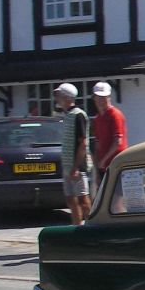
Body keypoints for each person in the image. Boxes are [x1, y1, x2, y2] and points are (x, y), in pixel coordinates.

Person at [53, 82, 92, 225]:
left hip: (77, 166)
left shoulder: (78, 115)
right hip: (68, 165)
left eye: (59, 95)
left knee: (83, 199)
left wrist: (76, 167)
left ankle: (91, 227)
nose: (57, 98)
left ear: (67, 97)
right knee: (71, 199)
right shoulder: (67, 115)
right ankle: (77, 227)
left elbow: (83, 142)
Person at [91, 81, 127, 186]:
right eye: (99, 97)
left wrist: (104, 160)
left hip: (117, 164)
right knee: (106, 199)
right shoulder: (97, 119)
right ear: (94, 98)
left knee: (116, 198)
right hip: (104, 167)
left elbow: (117, 142)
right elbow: (98, 145)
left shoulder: (115, 115)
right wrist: (98, 168)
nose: (102, 100)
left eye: (104, 97)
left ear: (109, 97)